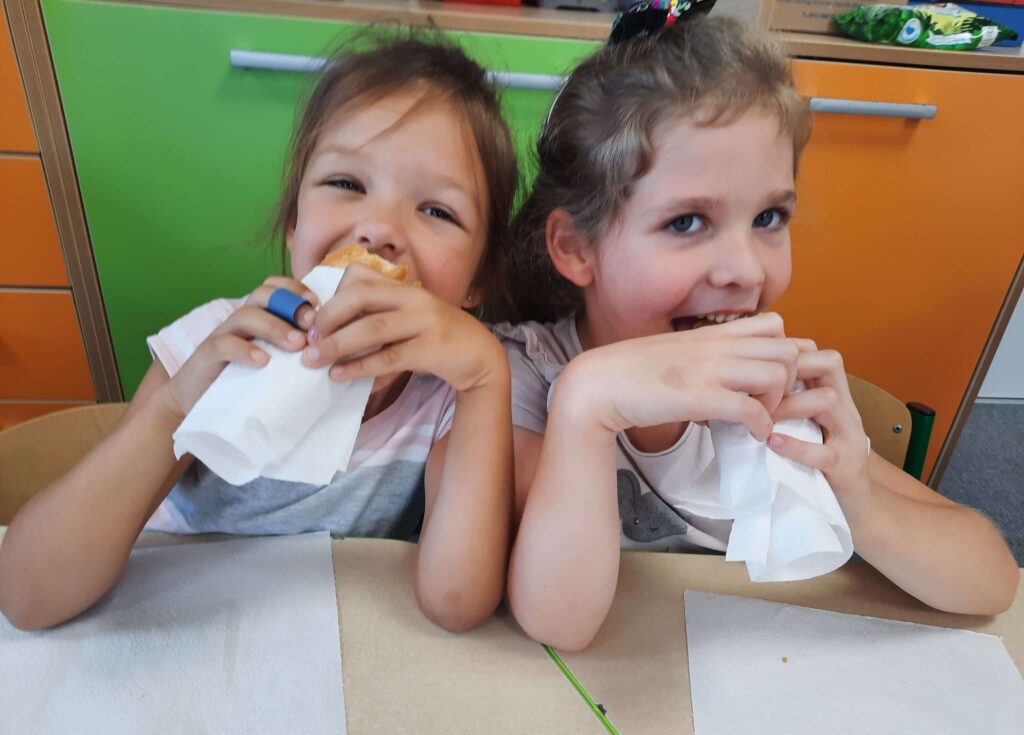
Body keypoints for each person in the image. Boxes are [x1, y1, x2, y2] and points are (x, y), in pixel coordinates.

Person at [490, 13, 1019, 651]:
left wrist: (858, 497)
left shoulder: (777, 389)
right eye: (686, 222)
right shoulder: (531, 378)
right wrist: (585, 406)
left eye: (769, 217)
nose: (745, 271)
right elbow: (559, 623)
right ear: (576, 248)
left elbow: (992, 584)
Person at [0, 34, 518, 633]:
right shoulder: (212, 343)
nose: (379, 230)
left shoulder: (450, 394)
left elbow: (456, 603)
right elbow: (26, 596)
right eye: (347, 184)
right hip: (171, 629)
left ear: (480, 278)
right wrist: (175, 408)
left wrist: (485, 376)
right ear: (295, 224)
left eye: (437, 211)